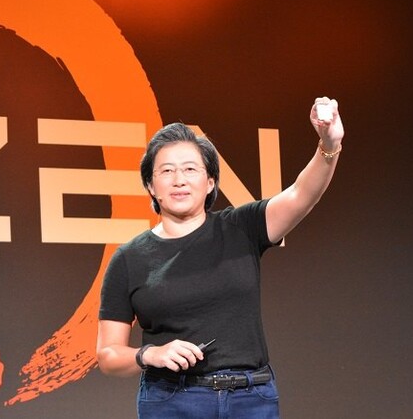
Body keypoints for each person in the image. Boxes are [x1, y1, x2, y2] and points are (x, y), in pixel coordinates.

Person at [96, 97, 344, 418]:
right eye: (166, 171)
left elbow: (301, 195)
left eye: (190, 169)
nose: (179, 179)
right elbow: (108, 354)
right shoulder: (129, 259)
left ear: (210, 181)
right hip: (173, 400)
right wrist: (150, 354)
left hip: (251, 399)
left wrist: (329, 144)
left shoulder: (242, 227)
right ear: (151, 185)